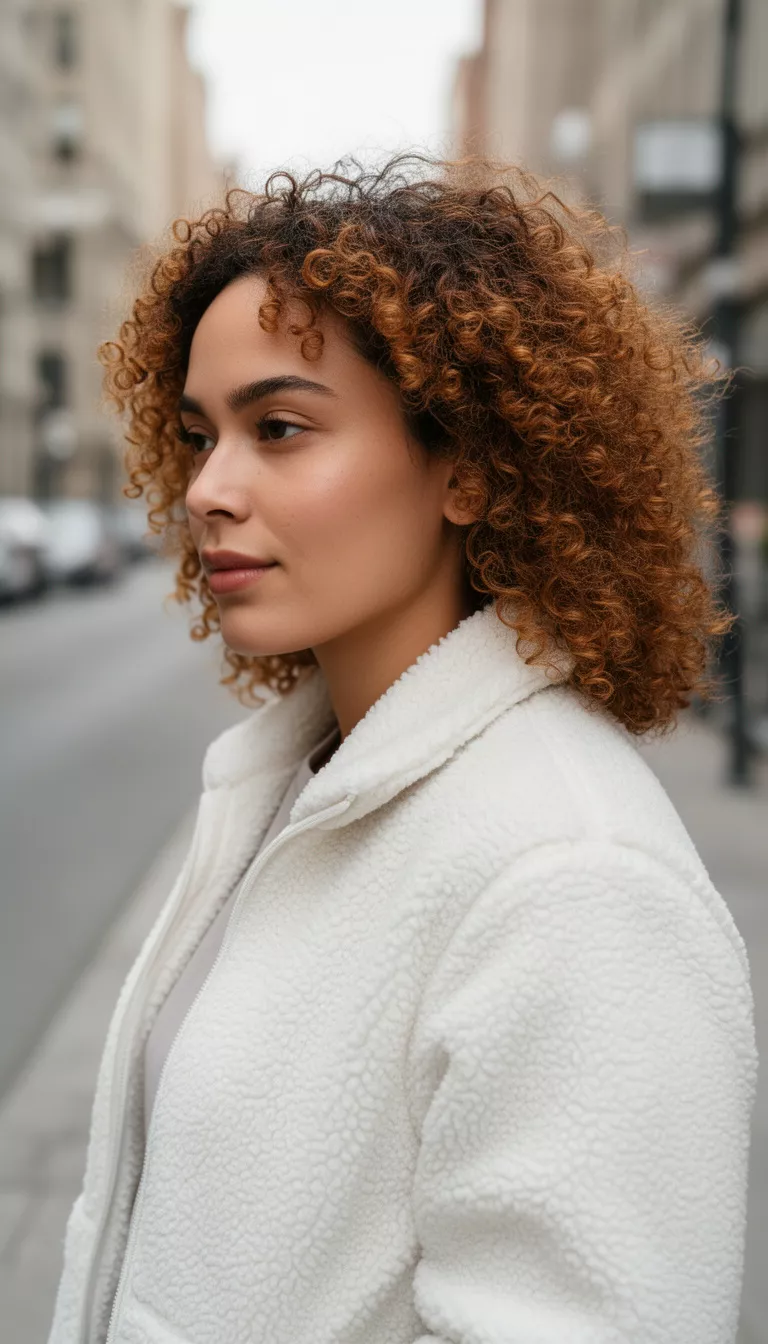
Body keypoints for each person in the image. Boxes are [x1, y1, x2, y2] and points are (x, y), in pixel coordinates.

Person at [48, 154, 757, 1344]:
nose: (209, 488)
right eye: (199, 435)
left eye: (279, 428)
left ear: (467, 467)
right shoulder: (300, 782)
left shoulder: (573, 876)